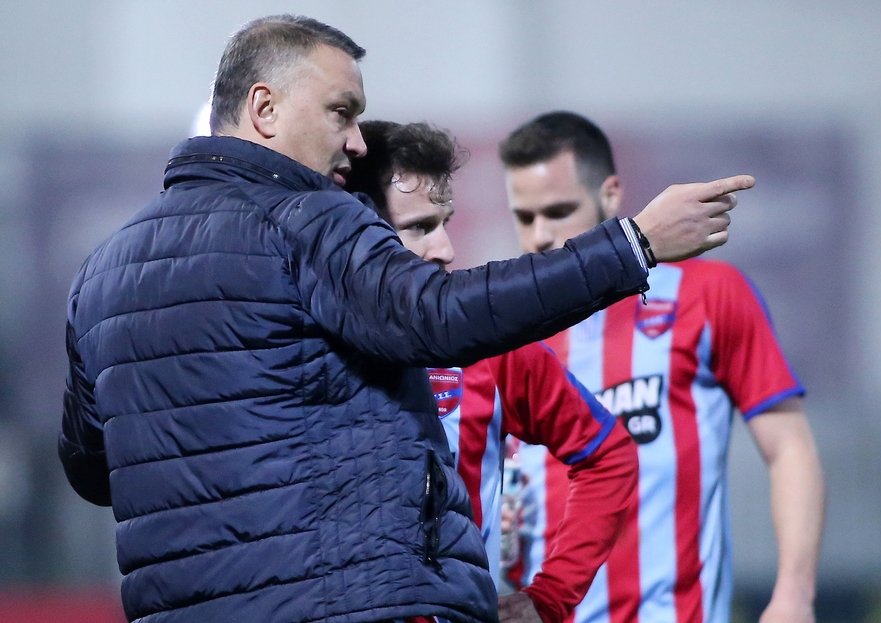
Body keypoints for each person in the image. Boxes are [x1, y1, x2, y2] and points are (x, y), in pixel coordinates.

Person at [57, 15, 753, 623]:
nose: (356, 140)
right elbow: (439, 315)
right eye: (341, 112)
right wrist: (635, 244)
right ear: (264, 108)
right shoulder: (307, 217)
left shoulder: (101, 271)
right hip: (349, 600)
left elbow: (92, 465)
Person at [498, 111, 825, 623]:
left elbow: (789, 447)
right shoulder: (505, 333)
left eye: (559, 211)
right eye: (524, 217)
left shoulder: (708, 295)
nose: (540, 235)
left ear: (610, 196)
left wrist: (794, 595)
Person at [345, 120, 639, 623]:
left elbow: (608, 455)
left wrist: (550, 597)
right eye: (419, 227)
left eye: (445, 223)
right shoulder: (296, 344)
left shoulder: (488, 348)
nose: (444, 249)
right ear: (356, 230)